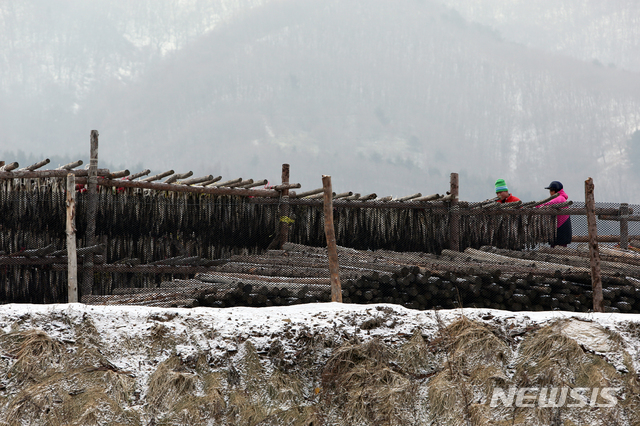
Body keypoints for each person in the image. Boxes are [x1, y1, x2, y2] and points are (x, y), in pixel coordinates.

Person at [542, 180, 572, 247]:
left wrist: (537, 206)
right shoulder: (562, 198)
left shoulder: (559, 198)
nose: (550, 193)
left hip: (560, 228)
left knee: (558, 250)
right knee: (561, 249)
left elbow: (546, 205)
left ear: (553, 191)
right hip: (562, 227)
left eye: (550, 191)